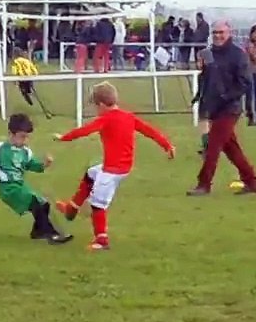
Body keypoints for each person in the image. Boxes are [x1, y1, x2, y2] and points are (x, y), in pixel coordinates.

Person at [52, 82, 175, 250]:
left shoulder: (106, 119)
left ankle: (101, 240)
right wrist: (167, 145)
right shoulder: (128, 116)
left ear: (101, 105)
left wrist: (63, 137)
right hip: (124, 167)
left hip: (112, 170)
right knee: (91, 173)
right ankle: (71, 208)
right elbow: (149, 130)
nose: (96, 110)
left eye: (96, 106)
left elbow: (85, 130)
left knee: (98, 204)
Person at [189, 21, 256, 196]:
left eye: (221, 32)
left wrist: (226, 97)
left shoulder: (238, 55)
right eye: (215, 33)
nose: (218, 36)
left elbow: (245, 82)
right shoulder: (209, 54)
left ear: (229, 33)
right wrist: (200, 96)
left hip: (229, 108)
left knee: (212, 147)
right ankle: (251, 181)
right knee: (232, 149)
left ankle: (204, 184)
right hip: (214, 107)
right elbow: (207, 79)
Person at [0, 113, 71, 245]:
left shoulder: (26, 152)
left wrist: (45, 164)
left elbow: (34, 166)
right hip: (7, 188)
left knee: (44, 203)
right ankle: (52, 234)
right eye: (22, 136)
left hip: (21, 186)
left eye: (27, 137)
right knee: (35, 202)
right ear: (11, 134)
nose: (25, 140)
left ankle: (37, 231)